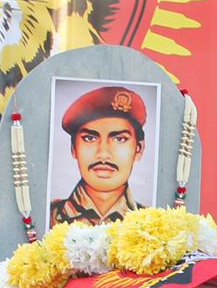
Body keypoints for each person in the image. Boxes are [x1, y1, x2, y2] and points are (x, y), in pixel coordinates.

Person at [50, 86, 147, 225]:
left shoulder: (152, 223)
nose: (103, 154)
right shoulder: (47, 217)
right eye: (90, 138)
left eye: (119, 139)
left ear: (138, 149)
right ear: (74, 148)